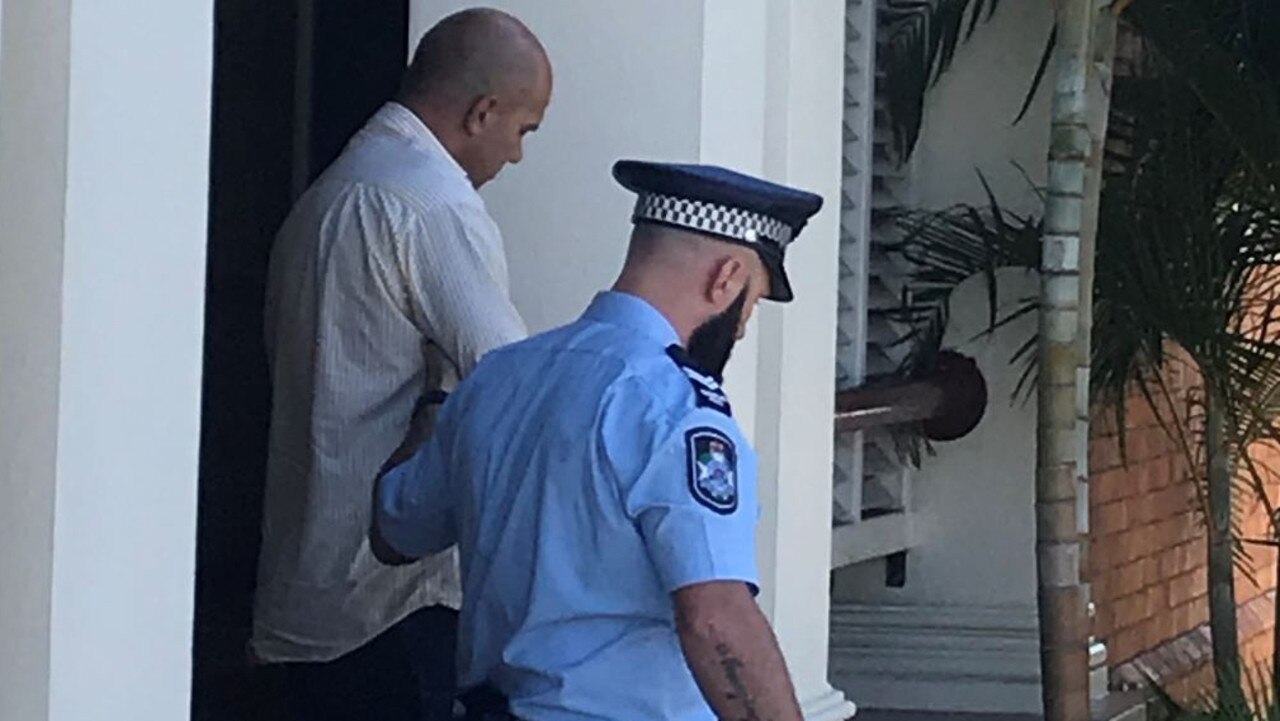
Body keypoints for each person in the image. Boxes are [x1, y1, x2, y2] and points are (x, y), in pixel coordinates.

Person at [374, 160, 824, 721]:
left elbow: (394, 533)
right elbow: (714, 617)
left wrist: (426, 420)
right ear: (725, 278)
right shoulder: (678, 408)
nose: (740, 327)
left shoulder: (499, 376)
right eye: (750, 303)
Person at [251, 8, 553, 721]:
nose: (516, 156)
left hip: (305, 587)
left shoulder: (330, 192)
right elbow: (508, 386)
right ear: (483, 112)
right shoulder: (432, 205)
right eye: (523, 129)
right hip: (392, 599)